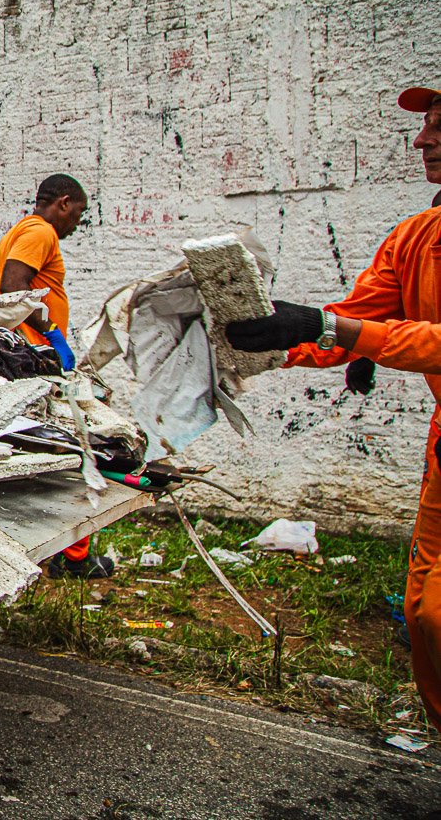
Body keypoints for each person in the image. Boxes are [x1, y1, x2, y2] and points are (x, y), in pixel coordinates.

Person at [225, 84, 441, 728]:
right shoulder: (415, 238)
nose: (421, 140)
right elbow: (345, 324)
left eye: (439, 126)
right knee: (426, 611)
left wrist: (330, 328)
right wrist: (268, 344)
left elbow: (353, 331)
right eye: (426, 126)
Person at [0, 173, 111, 578]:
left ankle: (56, 551)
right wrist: (53, 336)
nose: (78, 221)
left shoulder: (21, 231)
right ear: (62, 202)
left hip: (21, 354)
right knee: (77, 445)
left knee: (53, 449)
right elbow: (13, 289)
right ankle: (73, 559)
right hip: (32, 357)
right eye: (78, 211)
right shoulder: (41, 233)